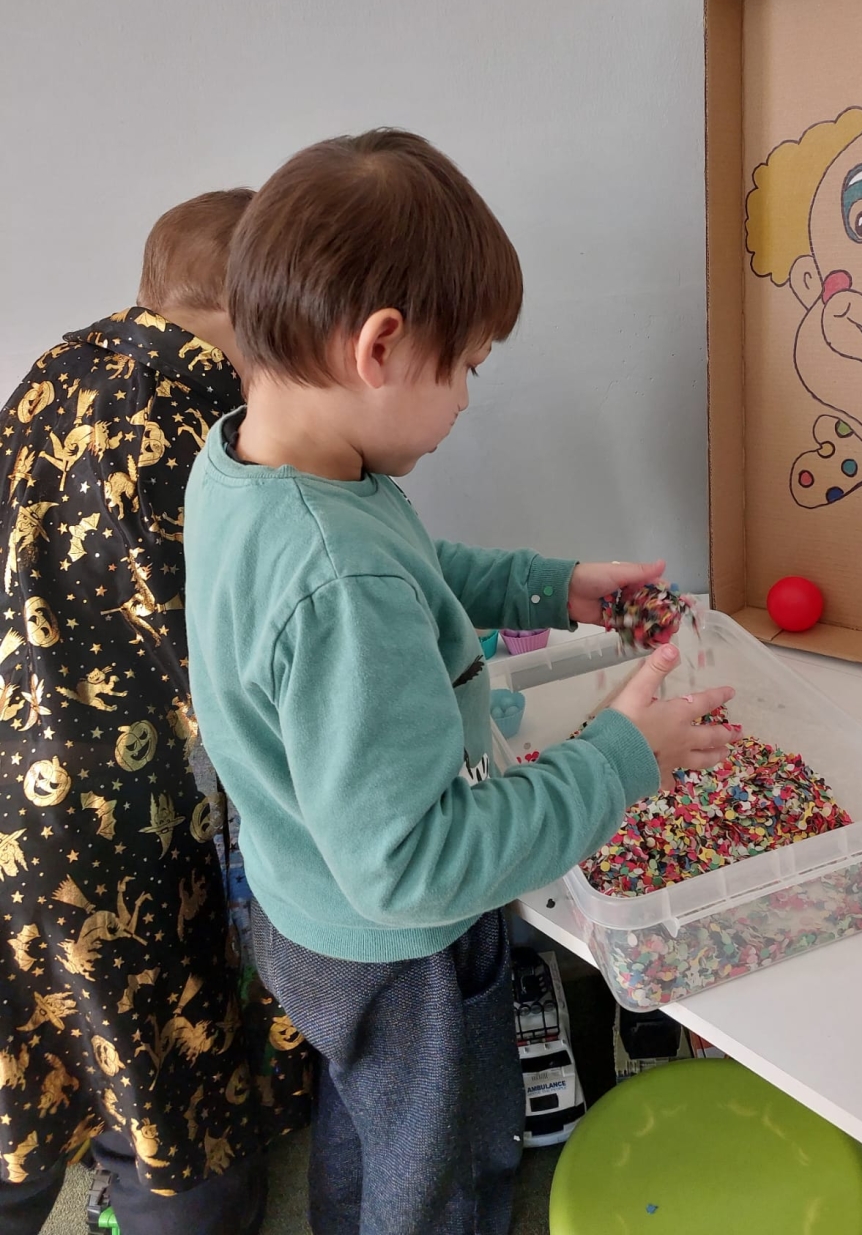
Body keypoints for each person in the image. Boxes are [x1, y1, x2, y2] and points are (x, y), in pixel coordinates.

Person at [183, 128, 735, 1235]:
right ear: (381, 347)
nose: (470, 399)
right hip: (399, 953)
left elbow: (406, 569)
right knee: (434, 1163)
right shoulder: (338, 582)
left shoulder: (256, 464)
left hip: (305, 901)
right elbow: (416, 868)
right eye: (469, 366)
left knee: (374, 1112)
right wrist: (623, 758)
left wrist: (549, 586)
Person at [0, 191, 311, 1235]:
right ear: (251, 305)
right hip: (110, 820)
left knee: (29, 1050)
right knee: (166, 1094)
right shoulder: (191, 417)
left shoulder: (53, 370)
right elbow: (229, 640)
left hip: (13, 772)